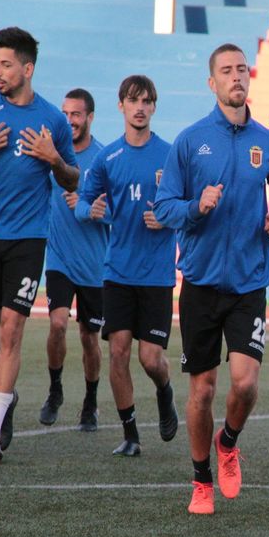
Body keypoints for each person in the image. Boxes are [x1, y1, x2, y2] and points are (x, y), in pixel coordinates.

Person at [154, 43, 269, 515]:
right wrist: (196, 207)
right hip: (201, 283)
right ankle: (201, 480)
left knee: (246, 385)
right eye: (226, 71)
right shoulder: (190, 142)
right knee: (203, 388)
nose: (236, 77)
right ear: (211, 83)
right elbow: (164, 206)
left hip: (249, 282)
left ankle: (227, 442)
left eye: (241, 70)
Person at [0, 27, 79, 462]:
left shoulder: (53, 120)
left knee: (11, 331)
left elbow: (72, 179)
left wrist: (54, 159)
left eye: (5, 64)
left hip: (28, 240)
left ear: (27, 69)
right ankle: (4, 400)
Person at [75, 75, 178, 456]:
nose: (140, 107)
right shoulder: (107, 158)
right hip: (117, 271)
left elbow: (188, 208)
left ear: (153, 107)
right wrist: (92, 210)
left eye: (147, 101)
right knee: (118, 351)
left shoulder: (170, 155)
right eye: (133, 100)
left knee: (150, 358)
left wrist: (168, 218)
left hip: (156, 274)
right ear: (121, 106)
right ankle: (131, 434)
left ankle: (165, 392)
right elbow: (83, 202)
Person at [38, 88, 105, 431]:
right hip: (59, 259)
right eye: (65, 114)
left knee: (89, 338)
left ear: (90, 117)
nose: (70, 121)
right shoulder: (52, 155)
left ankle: (91, 402)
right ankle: (55, 389)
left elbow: (117, 213)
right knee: (58, 323)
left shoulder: (105, 158)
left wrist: (92, 209)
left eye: (76, 114)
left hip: (94, 265)